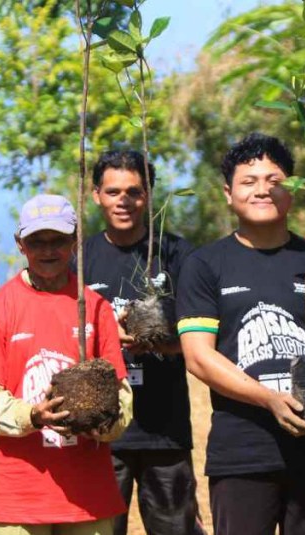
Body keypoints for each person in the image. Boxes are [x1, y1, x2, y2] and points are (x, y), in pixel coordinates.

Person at [176, 133, 305, 535]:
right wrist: (269, 400)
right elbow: (198, 356)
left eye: (273, 180)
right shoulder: (205, 265)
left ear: (292, 189)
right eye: (248, 181)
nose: (262, 190)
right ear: (228, 193)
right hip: (243, 451)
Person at [0, 194, 133, 535]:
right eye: (37, 241)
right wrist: (32, 416)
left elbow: (121, 391)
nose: (48, 251)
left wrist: (101, 424)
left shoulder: (95, 306)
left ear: (74, 240)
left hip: (88, 493)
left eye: (58, 240)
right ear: (20, 244)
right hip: (20, 494)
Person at [82, 150, 201, 534]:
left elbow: (201, 335)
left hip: (165, 434)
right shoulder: (79, 258)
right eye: (113, 191)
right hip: (102, 433)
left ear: (147, 195)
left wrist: (159, 343)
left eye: (133, 191)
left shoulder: (177, 254)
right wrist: (105, 337)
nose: (123, 201)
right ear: (96, 194)